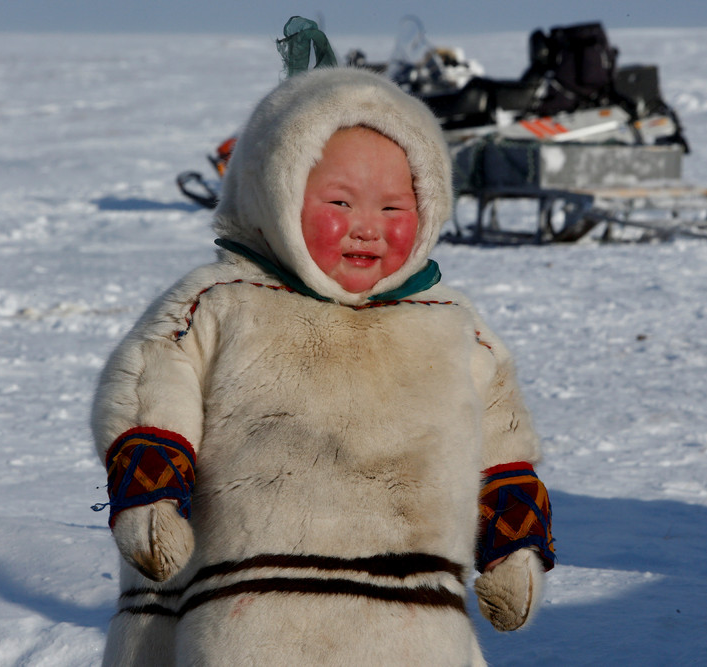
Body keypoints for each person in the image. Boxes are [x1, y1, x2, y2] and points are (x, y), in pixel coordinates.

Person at [92, 66, 555, 666]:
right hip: (248, 615)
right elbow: (151, 395)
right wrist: (152, 504)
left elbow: (504, 445)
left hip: (413, 628)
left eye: (394, 206)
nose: (368, 227)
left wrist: (512, 547)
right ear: (275, 194)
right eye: (340, 202)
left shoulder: (452, 329)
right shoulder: (223, 303)